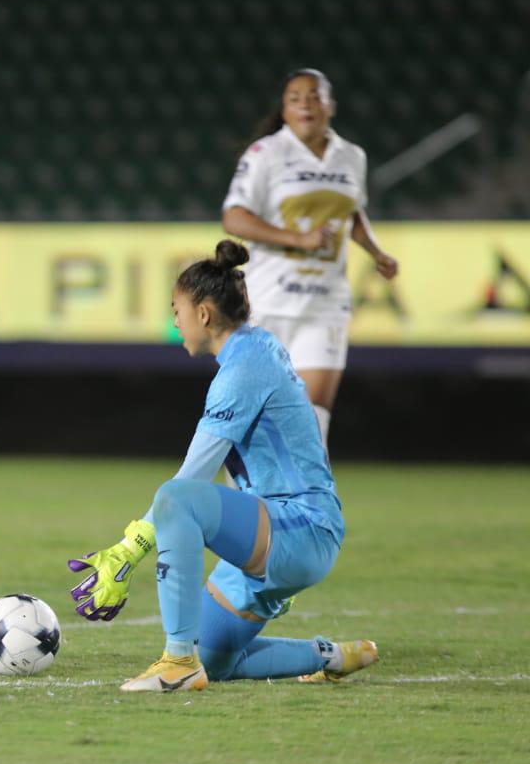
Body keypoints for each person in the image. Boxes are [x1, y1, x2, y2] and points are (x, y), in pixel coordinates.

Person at [67, 240, 379, 691]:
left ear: (205, 313)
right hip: (286, 530)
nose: (174, 320)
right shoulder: (255, 350)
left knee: (178, 498)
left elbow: (193, 476)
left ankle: (177, 661)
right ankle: (331, 655)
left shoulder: (243, 370)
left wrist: (128, 550)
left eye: (177, 309)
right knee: (218, 659)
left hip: (298, 529)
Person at [223, 68, 399, 449]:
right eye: (295, 98)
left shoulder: (351, 156)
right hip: (267, 303)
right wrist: (297, 238)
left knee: (312, 417)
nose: (305, 103)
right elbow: (233, 216)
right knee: (252, 416)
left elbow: (351, 213)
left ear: (330, 106)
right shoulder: (266, 153)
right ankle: (243, 504)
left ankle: (303, 507)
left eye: (314, 96)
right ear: (284, 111)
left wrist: (376, 251)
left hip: (325, 302)